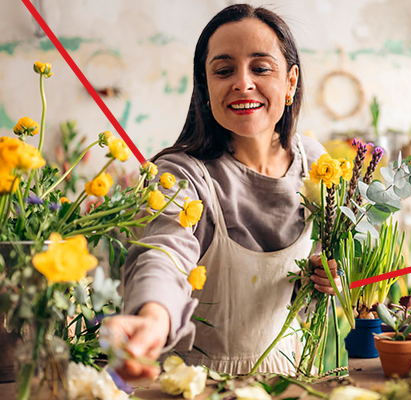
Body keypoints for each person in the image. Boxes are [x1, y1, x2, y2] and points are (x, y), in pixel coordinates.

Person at [104, 4, 340, 381]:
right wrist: (152, 318)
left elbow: (327, 255)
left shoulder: (316, 163)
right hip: (197, 383)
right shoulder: (180, 174)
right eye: (224, 70)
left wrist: (327, 274)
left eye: (261, 68)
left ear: (291, 82)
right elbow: (164, 253)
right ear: (205, 85)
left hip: (293, 379)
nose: (242, 83)